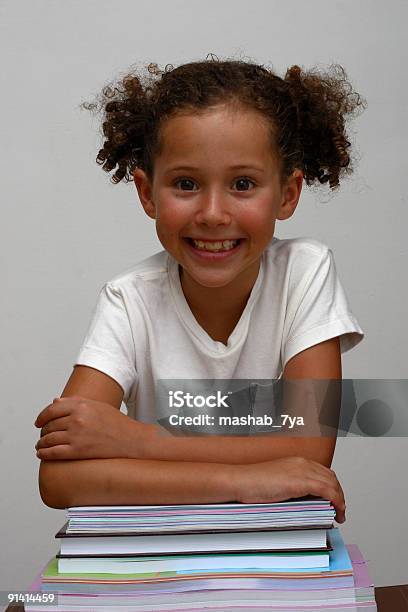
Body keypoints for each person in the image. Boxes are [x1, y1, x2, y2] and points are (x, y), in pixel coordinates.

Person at [35, 57, 366, 522]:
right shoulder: (128, 300)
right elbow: (59, 480)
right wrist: (244, 480)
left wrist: (136, 441)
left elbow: (309, 449)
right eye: (186, 183)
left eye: (243, 184)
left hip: (273, 556)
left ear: (288, 193)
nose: (212, 213)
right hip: (156, 564)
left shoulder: (304, 273)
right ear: (147, 193)